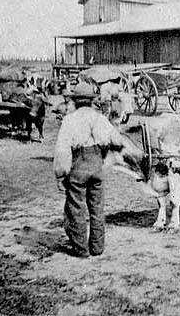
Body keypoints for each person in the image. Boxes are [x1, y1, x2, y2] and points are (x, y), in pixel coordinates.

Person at [53, 100, 127, 258]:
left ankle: (81, 249)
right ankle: (97, 247)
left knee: (76, 208)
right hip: (97, 166)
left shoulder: (69, 120)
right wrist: (103, 158)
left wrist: (61, 175)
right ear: (91, 100)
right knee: (97, 208)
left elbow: (62, 150)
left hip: (78, 164)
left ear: (75, 101)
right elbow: (118, 141)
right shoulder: (100, 118)